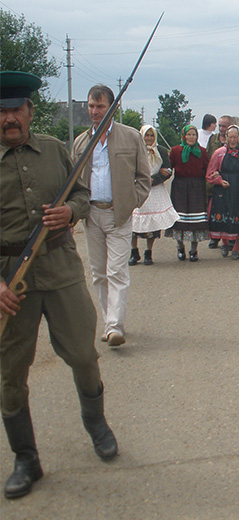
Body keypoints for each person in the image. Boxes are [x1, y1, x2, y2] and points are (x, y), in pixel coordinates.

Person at [0, 71, 117, 499]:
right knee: (11, 372)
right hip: (10, 282)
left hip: (61, 267)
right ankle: (26, 458)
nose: (9, 118)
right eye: (2, 112)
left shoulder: (53, 149)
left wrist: (70, 212)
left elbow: (82, 195)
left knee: (83, 353)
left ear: (30, 111)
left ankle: (97, 425)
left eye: (16, 109)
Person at [72, 84, 151, 347]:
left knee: (117, 270)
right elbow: (73, 180)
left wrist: (130, 203)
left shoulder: (131, 137)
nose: (95, 111)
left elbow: (144, 177)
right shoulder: (81, 142)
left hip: (119, 215)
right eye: (91, 106)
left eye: (100, 106)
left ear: (113, 107)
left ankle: (115, 326)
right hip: (91, 214)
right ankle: (109, 322)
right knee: (98, 273)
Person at [129, 125, 179, 266]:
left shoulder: (161, 151)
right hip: (138, 188)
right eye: (146, 135)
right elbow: (129, 168)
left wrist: (155, 179)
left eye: (151, 135)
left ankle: (148, 252)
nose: (149, 138)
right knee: (134, 222)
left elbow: (167, 171)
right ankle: (134, 251)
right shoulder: (134, 150)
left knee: (153, 224)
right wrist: (142, 181)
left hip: (155, 190)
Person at [207, 125, 239, 259]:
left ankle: (236, 249)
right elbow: (210, 173)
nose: (232, 140)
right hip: (223, 190)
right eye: (230, 137)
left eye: (235, 137)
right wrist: (219, 180)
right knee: (223, 218)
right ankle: (225, 244)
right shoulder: (219, 153)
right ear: (226, 137)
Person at [167, 125, 210, 261]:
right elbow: (168, 167)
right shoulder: (175, 151)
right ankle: (180, 247)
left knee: (196, 219)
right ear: (183, 136)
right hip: (180, 186)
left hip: (197, 186)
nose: (191, 137)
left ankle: (193, 249)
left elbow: (207, 169)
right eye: (189, 134)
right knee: (179, 218)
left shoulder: (202, 152)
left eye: (194, 135)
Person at [206, 115, 232, 249]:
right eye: (220, 126)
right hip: (215, 180)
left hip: (230, 179)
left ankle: (230, 237)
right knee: (214, 210)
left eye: (224, 126)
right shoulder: (213, 139)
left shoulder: (234, 139)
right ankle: (215, 238)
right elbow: (208, 156)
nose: (221, 129)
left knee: (230, 210)